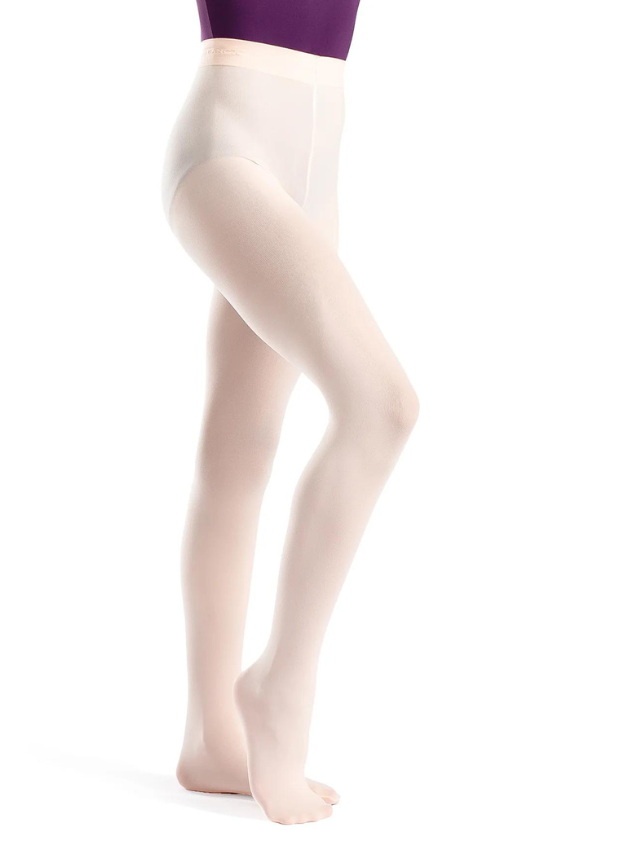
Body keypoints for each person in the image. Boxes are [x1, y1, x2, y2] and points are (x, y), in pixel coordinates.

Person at [161, 0, 419, 825]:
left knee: (241, 447)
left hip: (318, 155)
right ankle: (281, 686)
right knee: (381, 406)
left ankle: (212, 738)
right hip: (227, 148)